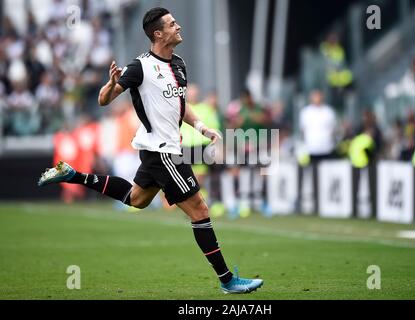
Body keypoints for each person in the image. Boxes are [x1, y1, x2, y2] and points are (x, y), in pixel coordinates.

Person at [37, 7, 263, 294]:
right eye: (171, 24)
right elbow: (105, 100)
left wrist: (202, 128)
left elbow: (180, 105)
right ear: (158, 34)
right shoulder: (140, 67)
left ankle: (73, 175)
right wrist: (108, 87)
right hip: (162, 151)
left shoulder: (179, 63)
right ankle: (227, 280)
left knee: (138, 199)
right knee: (200, 209)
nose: (178, 26)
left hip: (163, 148)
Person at [299, 90, 337, 163]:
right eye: (315, 97)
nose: (317, 99)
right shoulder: (305, 112)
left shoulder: (328, 111)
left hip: (326, 147)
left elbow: (333, 129)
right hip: (311, 147)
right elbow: (303, 129)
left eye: (318, 96)